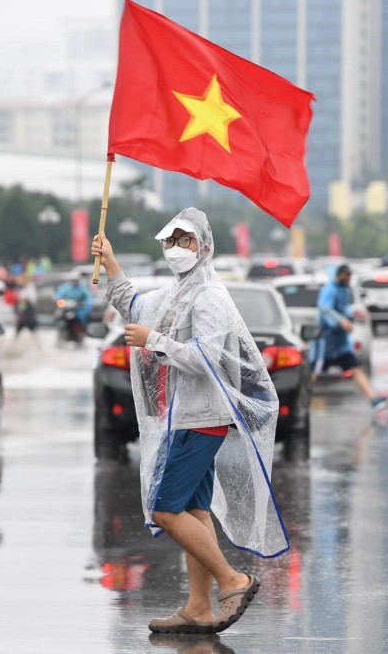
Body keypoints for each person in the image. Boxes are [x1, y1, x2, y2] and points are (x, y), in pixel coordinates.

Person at [91, 208, 288, 635]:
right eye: (170, 242)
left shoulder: (210, 297)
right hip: (183, 417)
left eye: (186, 241)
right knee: (194, 510)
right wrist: (110, 263)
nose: (177, 250)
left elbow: (207, 358)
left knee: (164, 511)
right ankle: (198, 609)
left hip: (203, 417)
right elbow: (135, 305)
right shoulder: (178, 292)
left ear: (205, 246)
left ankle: (234, 580)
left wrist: (154, 341)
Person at [316, 264, 388, 412]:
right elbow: (325, 309)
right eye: (345, 275)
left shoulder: (345, 289)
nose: (347, 278)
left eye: (349, 276)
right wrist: (340, 321)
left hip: (340, 343)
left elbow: (344, 308)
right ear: (338, 275)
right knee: (313, 372)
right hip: (325, 343)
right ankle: (297, 402)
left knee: (355, 368)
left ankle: (374, 400)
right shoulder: (330, 290)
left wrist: (351, 316)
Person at [12, 274, 41, 355]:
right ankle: (13, 349)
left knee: (34, 333)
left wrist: (24, 300)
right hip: (22, 315)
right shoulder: (21, 289)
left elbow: (31, 300)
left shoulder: (30, 289)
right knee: (18, 333)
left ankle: (39, 349)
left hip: (29, 315)